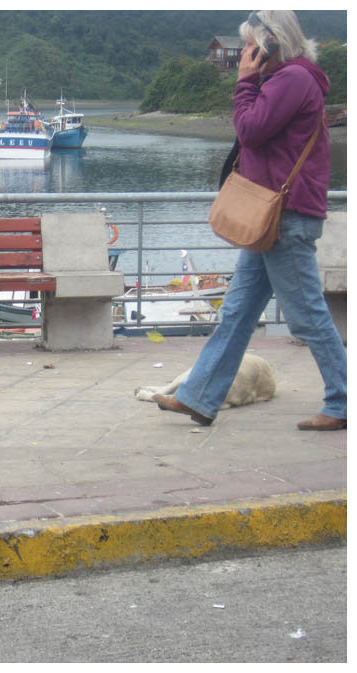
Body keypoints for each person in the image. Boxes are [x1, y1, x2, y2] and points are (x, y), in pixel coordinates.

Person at [154, 10, 346, 431]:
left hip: (287, 217)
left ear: (271, 43)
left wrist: (244, 82)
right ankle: (200, 398)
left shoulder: (294, 80)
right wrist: (252, 82)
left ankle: (343, 402)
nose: (243, 53)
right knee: (237, 312)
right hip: (271, 219)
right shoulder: (283, 80)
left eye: (249, 45)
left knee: (307, 316)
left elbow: (251, 129)